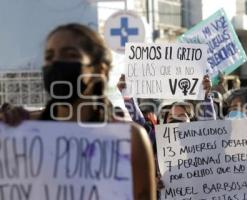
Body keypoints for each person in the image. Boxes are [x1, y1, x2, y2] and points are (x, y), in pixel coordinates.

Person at [2, 23, 155, 200]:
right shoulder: (19, 132)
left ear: (100, 69)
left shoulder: (129, 139)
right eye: (49, 57)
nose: (56, 63)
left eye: (70, 55)